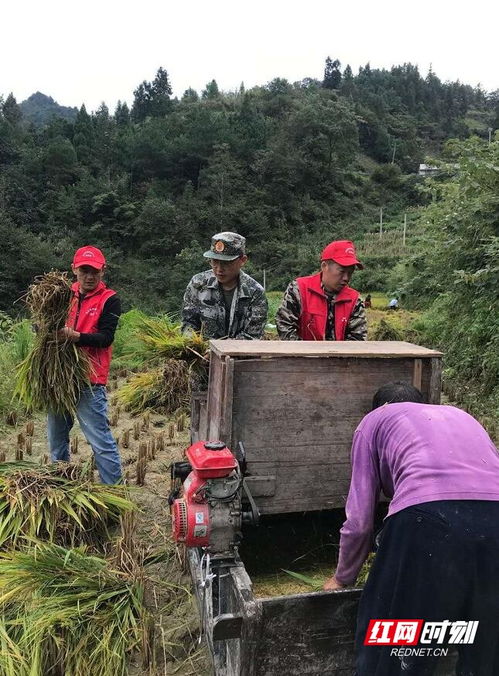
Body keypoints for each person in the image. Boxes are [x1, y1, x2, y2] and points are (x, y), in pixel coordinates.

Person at [324, 382, 499, 676]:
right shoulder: (460, 415)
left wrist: (342, 578)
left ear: (381, 407)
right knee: (487, 649)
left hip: (427, 522)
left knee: (394, 649)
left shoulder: (374, 421)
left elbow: (359, 522)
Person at [48, 246, 122, 485]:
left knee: (99, 439)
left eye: (95, 271)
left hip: (89, 380)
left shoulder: (109, 299)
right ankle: (60, 483)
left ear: (103, 271)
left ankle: (113, 491)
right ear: (74, 270)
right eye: (84, 270)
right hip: (59, 378)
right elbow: (43, 326)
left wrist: (75, 336)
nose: (89, 276)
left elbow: (106, 337)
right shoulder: (61, 295)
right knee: (56, 438)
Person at [181, 232, 268, 340]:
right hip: (201, 353)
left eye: (226, 263)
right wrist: (195, 346)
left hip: (239, 355)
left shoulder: (255, 292)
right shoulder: (198, 284)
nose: (219, 269)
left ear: (242, 260)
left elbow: (252, 336)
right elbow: (188, 323)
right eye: (214, 262)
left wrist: (221, 351)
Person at [275, 240, 367, 341]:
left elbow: (358, 339)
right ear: (324, 266)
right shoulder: (299, 289)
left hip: (340, 355)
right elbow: (284, 324)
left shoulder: (354, 300)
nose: (346, 278)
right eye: (342, 271)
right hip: (302, 355)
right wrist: (304, 353)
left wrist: (339, 355)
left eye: (350, 272)